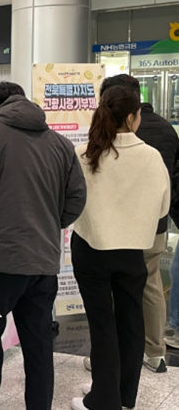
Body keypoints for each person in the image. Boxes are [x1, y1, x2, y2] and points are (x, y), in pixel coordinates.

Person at [0, 81, 87, 410]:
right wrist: (48, 222)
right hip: (43, 260)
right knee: (39, 346)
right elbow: (76, 199)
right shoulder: (60, 144)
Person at [70, 85, 170, 410]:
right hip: (132, 252)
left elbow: (71, 202)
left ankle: (103, 397)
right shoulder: (151, 157)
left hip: (91, 248)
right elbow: (163, 207)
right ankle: (124, 396)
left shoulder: (84, 153)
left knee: (102, 323)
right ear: (131, 117)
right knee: (131, 320)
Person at [83, 74, 179, 374]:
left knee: (109, 301)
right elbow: (171, 187)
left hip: (104, 233)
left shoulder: (94, 144)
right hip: (151, 228)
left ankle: (106, 359)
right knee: (150, 287)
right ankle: (155, 352)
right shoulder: (166, 130)